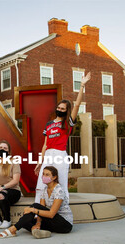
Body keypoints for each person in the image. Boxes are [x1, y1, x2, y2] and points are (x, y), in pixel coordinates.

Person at [34, 72, 91, 202]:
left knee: (62, 182)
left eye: (63, 108)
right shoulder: (49, 124)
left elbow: (77, 105)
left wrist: (82, 86)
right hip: (48, 154)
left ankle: (63, 211)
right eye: (58, 107)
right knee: (42, 183)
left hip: (60, 154)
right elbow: (45, 145)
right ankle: (38, 212)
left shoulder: (67, 123)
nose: (60, 109)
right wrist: (40, 161)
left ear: (66, 111)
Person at [0, 166, 73, 239]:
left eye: (47, 174)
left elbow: (51, 214)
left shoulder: (59, 190)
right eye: (43, 174)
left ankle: (12, 230)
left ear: (54, 177)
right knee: (25, 222)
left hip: (64, 224)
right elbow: (41, 209)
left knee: (35, 206)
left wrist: (33, 210)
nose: (44, 176)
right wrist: (38, 223)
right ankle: (39, 231)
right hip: (53, 221)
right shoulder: (45, 189)